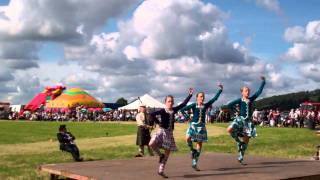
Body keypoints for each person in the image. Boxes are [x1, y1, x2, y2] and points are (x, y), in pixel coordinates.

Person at [149, 88, 193, 178]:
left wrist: (190, 95)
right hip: (161, 131)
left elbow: (183, 104)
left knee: (167, 152)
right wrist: (158, 122)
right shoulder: (162, 111)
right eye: (169, 101)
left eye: (172, 101)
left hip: (169, 133)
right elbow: (151, 115)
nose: (171, 103)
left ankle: (161, 170)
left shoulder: (174, 110)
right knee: (151, 143)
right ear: (165, 102)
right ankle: (160, 155)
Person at [180, 84, 223, 171]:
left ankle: (195, 163)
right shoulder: (193, 105)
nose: (202, 98)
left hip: (202, 127)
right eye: (200, 96)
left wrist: (220, 90)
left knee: (199, 144)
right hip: (193, 126)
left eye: (203, 97)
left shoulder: (206, 105)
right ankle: (192, 150)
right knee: (187, 138)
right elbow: (182, 110)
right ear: (197, 98)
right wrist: (187, 118)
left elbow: (214, 99)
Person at [226, 76, 266, 165]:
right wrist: (235, 113)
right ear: (242, 93)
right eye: (246, 91)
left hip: (248, 122)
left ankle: (241, 157)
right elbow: (229, 105)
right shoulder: (239, 100)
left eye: (248, 91)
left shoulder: (251, 99)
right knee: (229, 129)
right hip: (240, 120)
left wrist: (263, 82)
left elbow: (258, 92)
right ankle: (238, 142)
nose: (248, 92)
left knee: (246, 140)